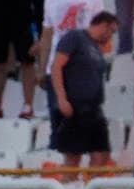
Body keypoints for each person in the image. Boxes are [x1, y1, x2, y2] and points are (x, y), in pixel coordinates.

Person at [38, 0, 104, 148]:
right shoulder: (51, 0)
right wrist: (42, 68)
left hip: (84, 69)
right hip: (57, 67)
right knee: (58, 119)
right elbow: (47, 34)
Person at [51, 10, 118, 173]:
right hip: (75, 105)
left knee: (102, 151)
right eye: (112, 31)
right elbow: (57, 66)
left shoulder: (95, 47)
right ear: (104, 25)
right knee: (74, 155)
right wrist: (61, 98)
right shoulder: (75, 38)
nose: (111, 36)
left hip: (94, 107)